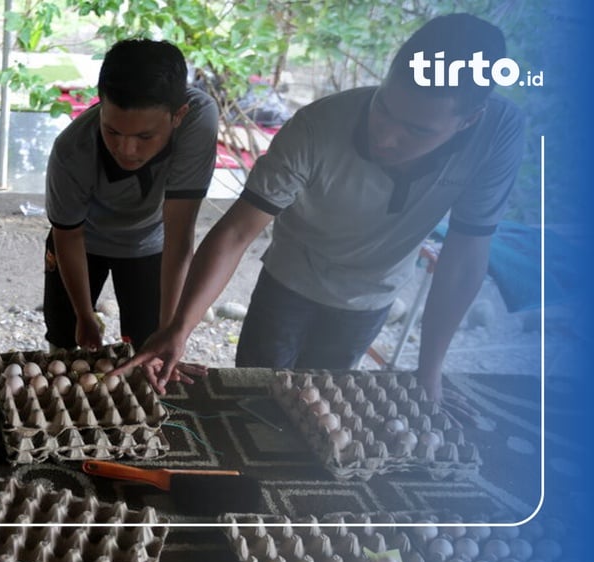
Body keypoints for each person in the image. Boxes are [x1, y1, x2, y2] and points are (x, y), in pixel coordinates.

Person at [117, 13, 525, 416]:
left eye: (416, 131)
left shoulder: (499, 134)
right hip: (290, 278)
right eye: (383, 109)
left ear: (469, 120)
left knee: (321, 407)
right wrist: (179, 328)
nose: (386, 137)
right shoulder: (317, 128)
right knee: (256, 400)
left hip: (371, 294)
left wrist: (429, 371)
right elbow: (237, 231)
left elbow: (466, 252)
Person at [44, 38, 219, 366]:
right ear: (101, 104)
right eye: (113, 132)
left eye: (144, 137)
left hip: (149, 242)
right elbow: (67, 236)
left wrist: (169, 330)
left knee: (148, 336)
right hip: (84, 243)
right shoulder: (72, 151)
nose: (126, 150)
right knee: (64, 333)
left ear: (178, 115)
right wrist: (84, 314)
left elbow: (179, 232)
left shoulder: (199, 120)